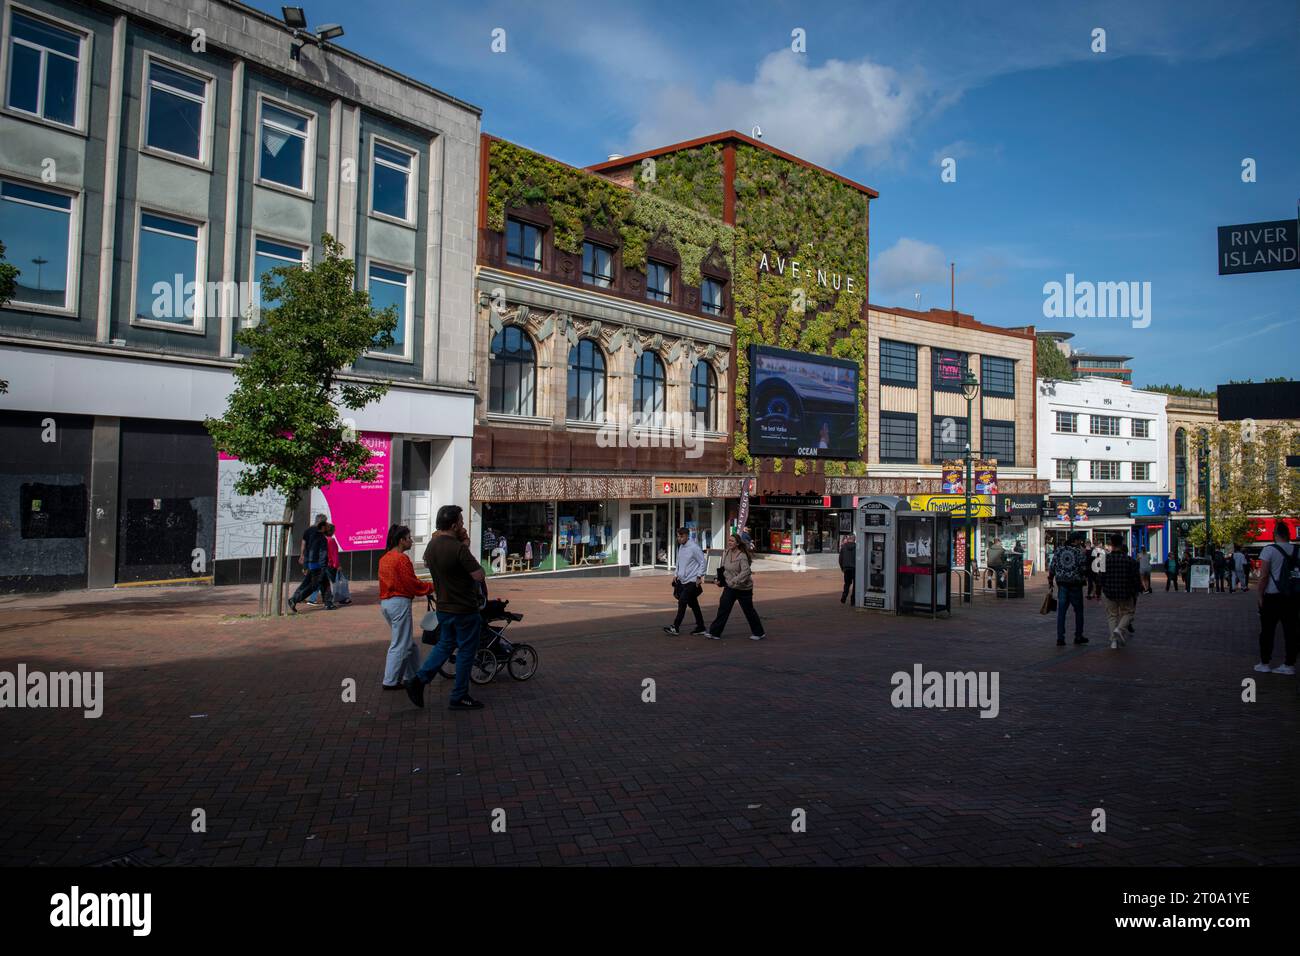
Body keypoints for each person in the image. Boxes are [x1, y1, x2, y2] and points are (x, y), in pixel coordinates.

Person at [406, 505, 489, 710]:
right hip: (464, 608)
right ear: (453, 525)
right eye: (461, 522)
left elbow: (427, 563)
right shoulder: (458, 548)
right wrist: (467, 548)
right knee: (466, 652)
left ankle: (420, 679)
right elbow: (478, 574)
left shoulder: (432, 546)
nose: (463, 524)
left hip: (443, 606)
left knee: (445, 644)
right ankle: (459, 695)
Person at [378, 524, 432, 690]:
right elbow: (411, 583)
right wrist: (430, 587)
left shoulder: (384, 558)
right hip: (399, 601)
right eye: (409, 538)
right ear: (401, 541)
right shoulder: (401, 559)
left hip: (387, 602)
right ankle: (390, 680)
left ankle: (413, 676)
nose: (411, 541)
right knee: (401, 643)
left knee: (407, 642)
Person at [1253, 523, 1299, 675]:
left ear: (1275, 534)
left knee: (1267, 631)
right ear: (1289, 534)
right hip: (1292, 596)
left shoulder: (1269, 550)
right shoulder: (1297, 550)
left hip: (1272, 595)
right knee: (1291, 631)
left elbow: (1264, 575)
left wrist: (1260, 595)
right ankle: (1289, 664)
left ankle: (1265, 663)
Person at [707, 532, 765, 641]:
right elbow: (724, 568)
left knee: (749, 611)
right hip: (730, 587)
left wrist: (735, 580)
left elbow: (746, 571)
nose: (730, 542)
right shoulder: (727, 553)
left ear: (737, 543)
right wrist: (719, 579)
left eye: (732, 541)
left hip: (744, 588)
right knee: (723, 608)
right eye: (729, 540)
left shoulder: (742, 556)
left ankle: (759, 632)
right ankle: (715, 633)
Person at [1100, 533, 1143, 650]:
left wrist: (1100, 589)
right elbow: (1135, 578)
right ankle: (1119, 629)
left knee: (1112, 616)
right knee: (1128, 613)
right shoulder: (1130, 561)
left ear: (1111, 544)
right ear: (1122, 544)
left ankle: (1113, 641)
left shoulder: (1105, 560)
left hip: (1109, 591)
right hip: (1125, 592)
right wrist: (1138, 590)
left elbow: (1101, 577)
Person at [288, 514, 336, 613]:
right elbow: (322, 552)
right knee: (313, 585)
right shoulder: (321, 536)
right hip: (318, 564)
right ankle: (294, 599)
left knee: (323, 582)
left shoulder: (308, 531)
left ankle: (328, 603)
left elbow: (304, 544)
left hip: (310, 562)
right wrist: (323, 566)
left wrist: (302, 556)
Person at [665, 527, 708, 635]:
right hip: (682, 580)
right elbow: (679, 562)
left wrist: (699, 576)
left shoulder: (694, 547)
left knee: (682, 601)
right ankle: (701, 626)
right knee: (694, 605)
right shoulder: (681, 547)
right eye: (678, 536)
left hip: (692, 581)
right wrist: (676, 574)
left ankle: (675, 627)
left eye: (681, 536)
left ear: (687, 536)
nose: (679, 538)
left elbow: (703, 562)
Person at [1048, 532, 1088, 646]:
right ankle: (1078, 635)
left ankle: (1060, 638)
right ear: (1075, 541)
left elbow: (1052, 566)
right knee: (1078, 611)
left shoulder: (1059, 550)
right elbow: (1083, 568)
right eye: (1079, 540)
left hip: (1062, 584)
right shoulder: (1078, 552)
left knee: (1062, 612)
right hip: (1075, 584)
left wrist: (1050, 580)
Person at [839, 532, 856, 604]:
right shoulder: (857, 546)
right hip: (855, 568)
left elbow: (840, 559)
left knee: (847, 584)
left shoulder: (843, 547)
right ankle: (853, 600)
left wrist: (842, 568)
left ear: (848, 538)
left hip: (846, 568)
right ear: (854, 539)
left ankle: (844, 597)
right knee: (856, 585)